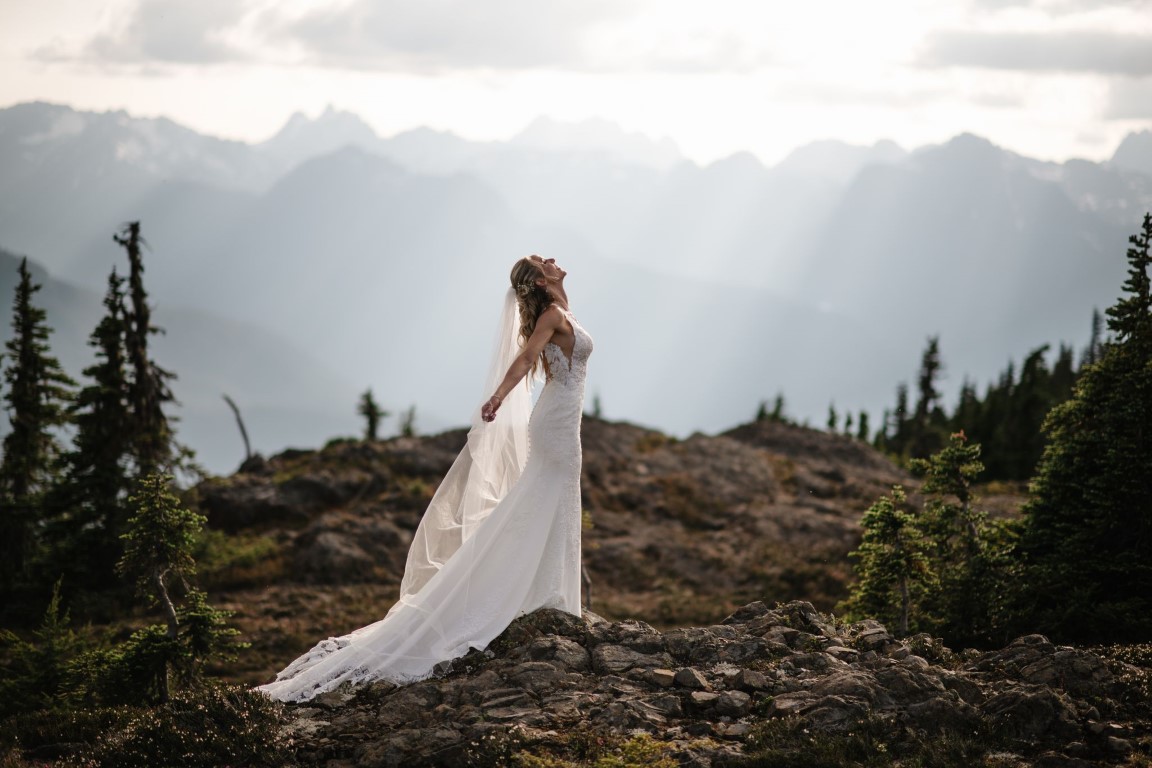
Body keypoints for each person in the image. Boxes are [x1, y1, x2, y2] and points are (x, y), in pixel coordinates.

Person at [258, 255, 592, 702]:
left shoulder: (561, 304)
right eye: (543, 261)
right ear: (538, 280)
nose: (554, 260)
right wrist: (496, 397)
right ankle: (526, 595)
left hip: (565, 419)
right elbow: (527, 357)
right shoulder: (552, 315)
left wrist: (558, 291)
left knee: (552, 502)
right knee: (545, 500)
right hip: (555, 424)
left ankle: (550, 595)